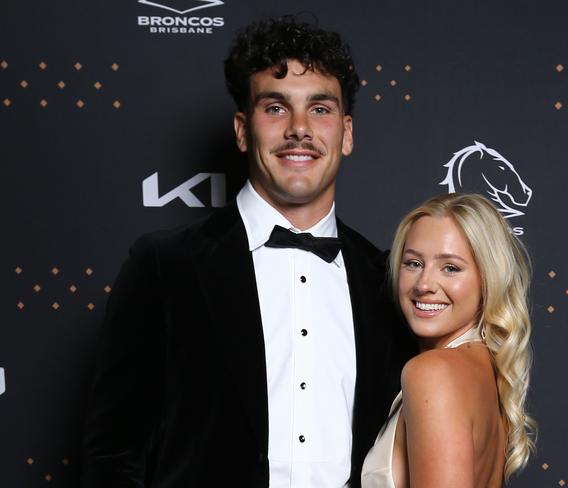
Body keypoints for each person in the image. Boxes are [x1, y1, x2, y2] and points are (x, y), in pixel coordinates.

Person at [81, 15, 413, 488]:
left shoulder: (385, 279)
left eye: (319, 109)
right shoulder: (165, 265)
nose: (300, 129)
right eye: (276, 108)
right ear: (242, 130)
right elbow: (113, 455)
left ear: (347, 132)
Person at [361, 193, 537, 487]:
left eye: (450, 268)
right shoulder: (483, 369)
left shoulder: (433, 372)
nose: (424, 285)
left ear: (487, 278)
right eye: (413, 263)